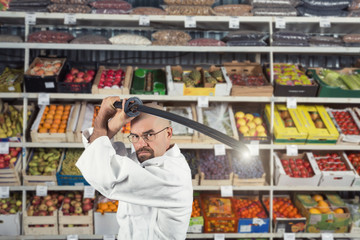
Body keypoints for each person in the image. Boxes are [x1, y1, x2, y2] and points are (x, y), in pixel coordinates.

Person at [76, 96, 193, 240]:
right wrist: (115, 123)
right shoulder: (142, 158)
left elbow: (102, 173)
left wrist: (103, 116)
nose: (141, 144)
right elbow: (98, 151)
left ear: (168, 133)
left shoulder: (173, 175)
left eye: (149, 135)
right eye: (135, 136)